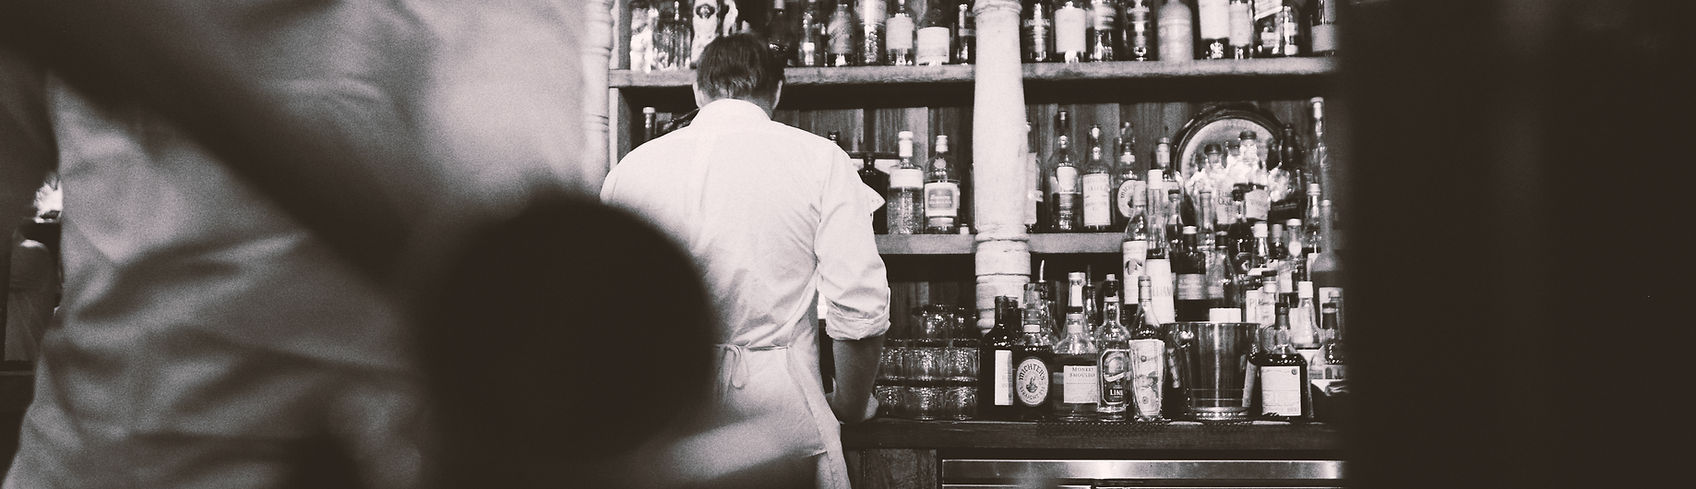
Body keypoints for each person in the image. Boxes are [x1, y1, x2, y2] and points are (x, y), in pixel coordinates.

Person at [600, 34, 891, 489]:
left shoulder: (631, 169)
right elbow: (858, 307)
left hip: (667, 413)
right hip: (781, 411)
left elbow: (606, 314)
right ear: (776, 92)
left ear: (698, 91)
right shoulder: (819, 160)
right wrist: (851, 405)